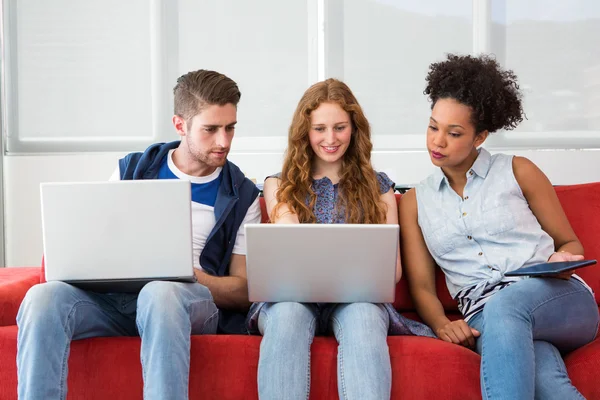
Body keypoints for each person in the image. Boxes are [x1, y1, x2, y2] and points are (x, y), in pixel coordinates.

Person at [17, 69, 261, 400]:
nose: (224, 141)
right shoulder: (131, 170)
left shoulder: (242, 193)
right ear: (180, 125)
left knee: (160, 293)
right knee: (41, 298)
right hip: (118, 302)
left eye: (230, 128)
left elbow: (244, 289)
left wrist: (188, 277)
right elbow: (97, 246)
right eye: (211, 129)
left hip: (186, 303)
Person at [399, 54, 599, 399]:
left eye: (454, 132)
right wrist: (442, 324)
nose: (437, 141)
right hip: (484, 317)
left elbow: (569, 242)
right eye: (433, 126)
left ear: (481, 137)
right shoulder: (417, 201)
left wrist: (562, 259)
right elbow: (421, 287)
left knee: (507, 306)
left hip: (557, 299)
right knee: (547, 380)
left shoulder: (519, 171)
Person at [247, 78, 433, 400]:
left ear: (354, 128)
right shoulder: (279, 184)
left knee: (362, 314)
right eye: (319, 128)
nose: (330, 139)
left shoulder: (380, 188)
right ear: (304, 132)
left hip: (357, 299)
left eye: (340, 127)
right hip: (293, 299)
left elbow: (394, 272)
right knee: (288, 314)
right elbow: (288, 235)